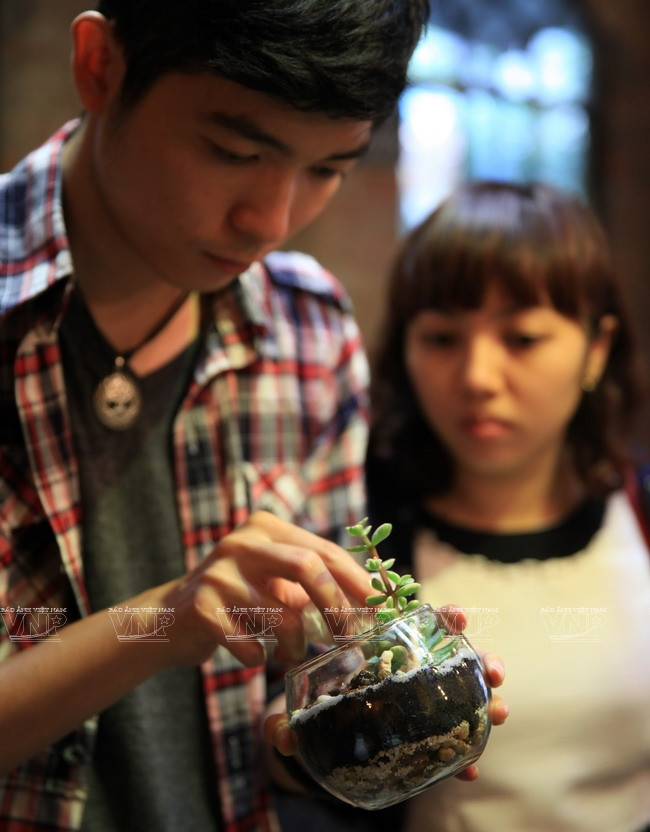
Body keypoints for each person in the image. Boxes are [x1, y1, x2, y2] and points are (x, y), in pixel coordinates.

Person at [0, 3, 509, 831]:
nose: (269, 222)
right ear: (99, 65)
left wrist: (353, 725)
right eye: (234, 151)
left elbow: (277, 720)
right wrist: (165, 620)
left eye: (330, 168)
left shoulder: (308, 329)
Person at [366, 180, 650, 832]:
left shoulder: (640, 516)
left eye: (521, 339)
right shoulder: (363, 535)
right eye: (441, 338)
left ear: (596, 350)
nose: (477, 378)